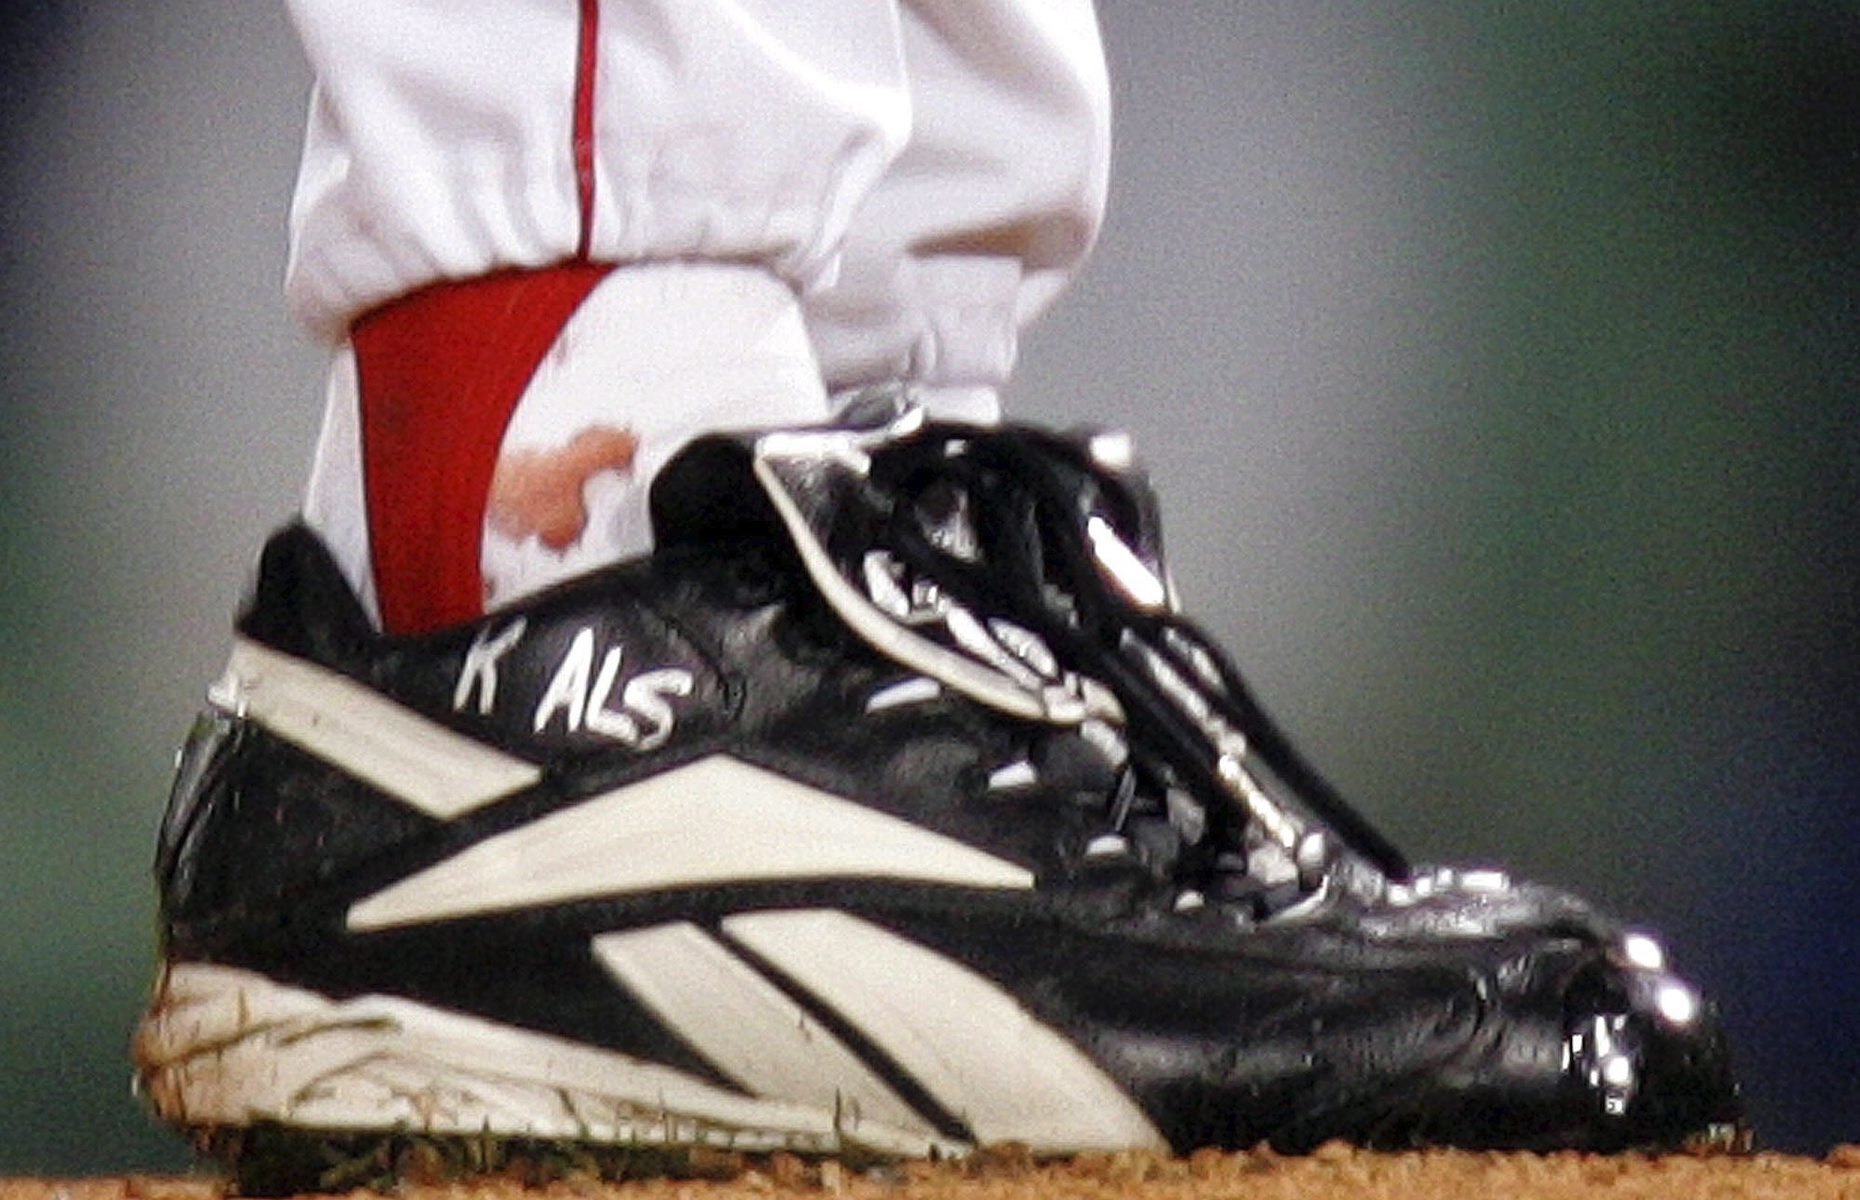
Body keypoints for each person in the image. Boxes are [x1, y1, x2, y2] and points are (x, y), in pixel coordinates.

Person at [134, 3, 1740, 1190]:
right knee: (626, 129)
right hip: (548, 586)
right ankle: (570, 592)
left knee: (904, 210)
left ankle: (836, 572)